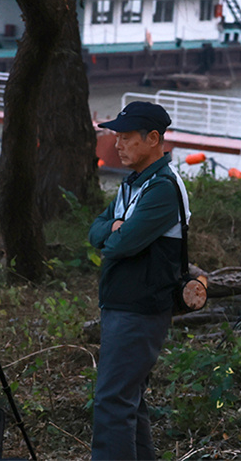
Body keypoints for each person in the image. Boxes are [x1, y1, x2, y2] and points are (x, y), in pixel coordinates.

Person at [88, 101, 190, 460]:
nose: (117, 144)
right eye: (117, 136)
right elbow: (96, 228)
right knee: (129, 399)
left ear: (153, 139)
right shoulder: (133, 184)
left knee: (112, 400)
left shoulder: (162, 188)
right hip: (123, 303)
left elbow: (119, 244)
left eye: (126, 137)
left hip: (140, 307)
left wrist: (113, 232)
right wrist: (111, 229)